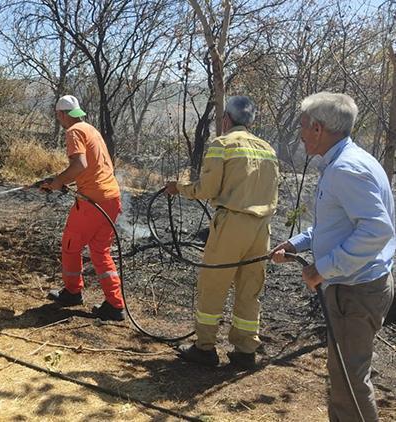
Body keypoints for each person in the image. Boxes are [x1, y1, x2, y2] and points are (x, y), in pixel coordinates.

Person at [271, 92, 395, 422]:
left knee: (350, 385)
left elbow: (376, 231)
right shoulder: (345, 163)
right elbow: (336, 226)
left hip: (356, 291)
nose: (299, 132)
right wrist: (297, 244)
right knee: (343, 380)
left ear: (318, 127)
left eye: (302, 125)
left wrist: (322, 268)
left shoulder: (347, 169)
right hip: (354, 289)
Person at [164, 96, 279, 368]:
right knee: (250, 289)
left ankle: (204, 348)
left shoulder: (222, 144)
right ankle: (245, 351)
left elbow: (207, 189)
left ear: (226, 119)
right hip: (262, 228)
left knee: (213, 285)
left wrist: (178, 188)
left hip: (231, 225)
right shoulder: (268, 149)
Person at [42, 95, 124, 321]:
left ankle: (72, 292)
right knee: (100, 251)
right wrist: (59, 180)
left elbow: (80, 165)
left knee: (70, 244)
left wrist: (58, 182)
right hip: (111, 198)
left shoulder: (73, 131)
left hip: (93, 201)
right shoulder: (90, 129)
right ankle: (115, 305)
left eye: (58, 116)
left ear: (61, 115)